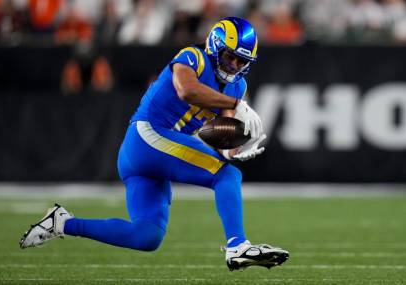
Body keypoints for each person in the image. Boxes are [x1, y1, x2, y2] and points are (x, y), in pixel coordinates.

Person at [19, 16, 289, 271]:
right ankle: (237, 246)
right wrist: (235, 106)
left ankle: (63, 224)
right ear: (215, 46)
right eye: (231, 58)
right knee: (227, 176)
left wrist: (237, 146)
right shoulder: (193, 57)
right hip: (148, 137)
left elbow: (224, 140)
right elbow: (187, 89)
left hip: (152, 156)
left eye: (242, 62)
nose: (235, 67)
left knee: (147, 236)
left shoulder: (236, 88)